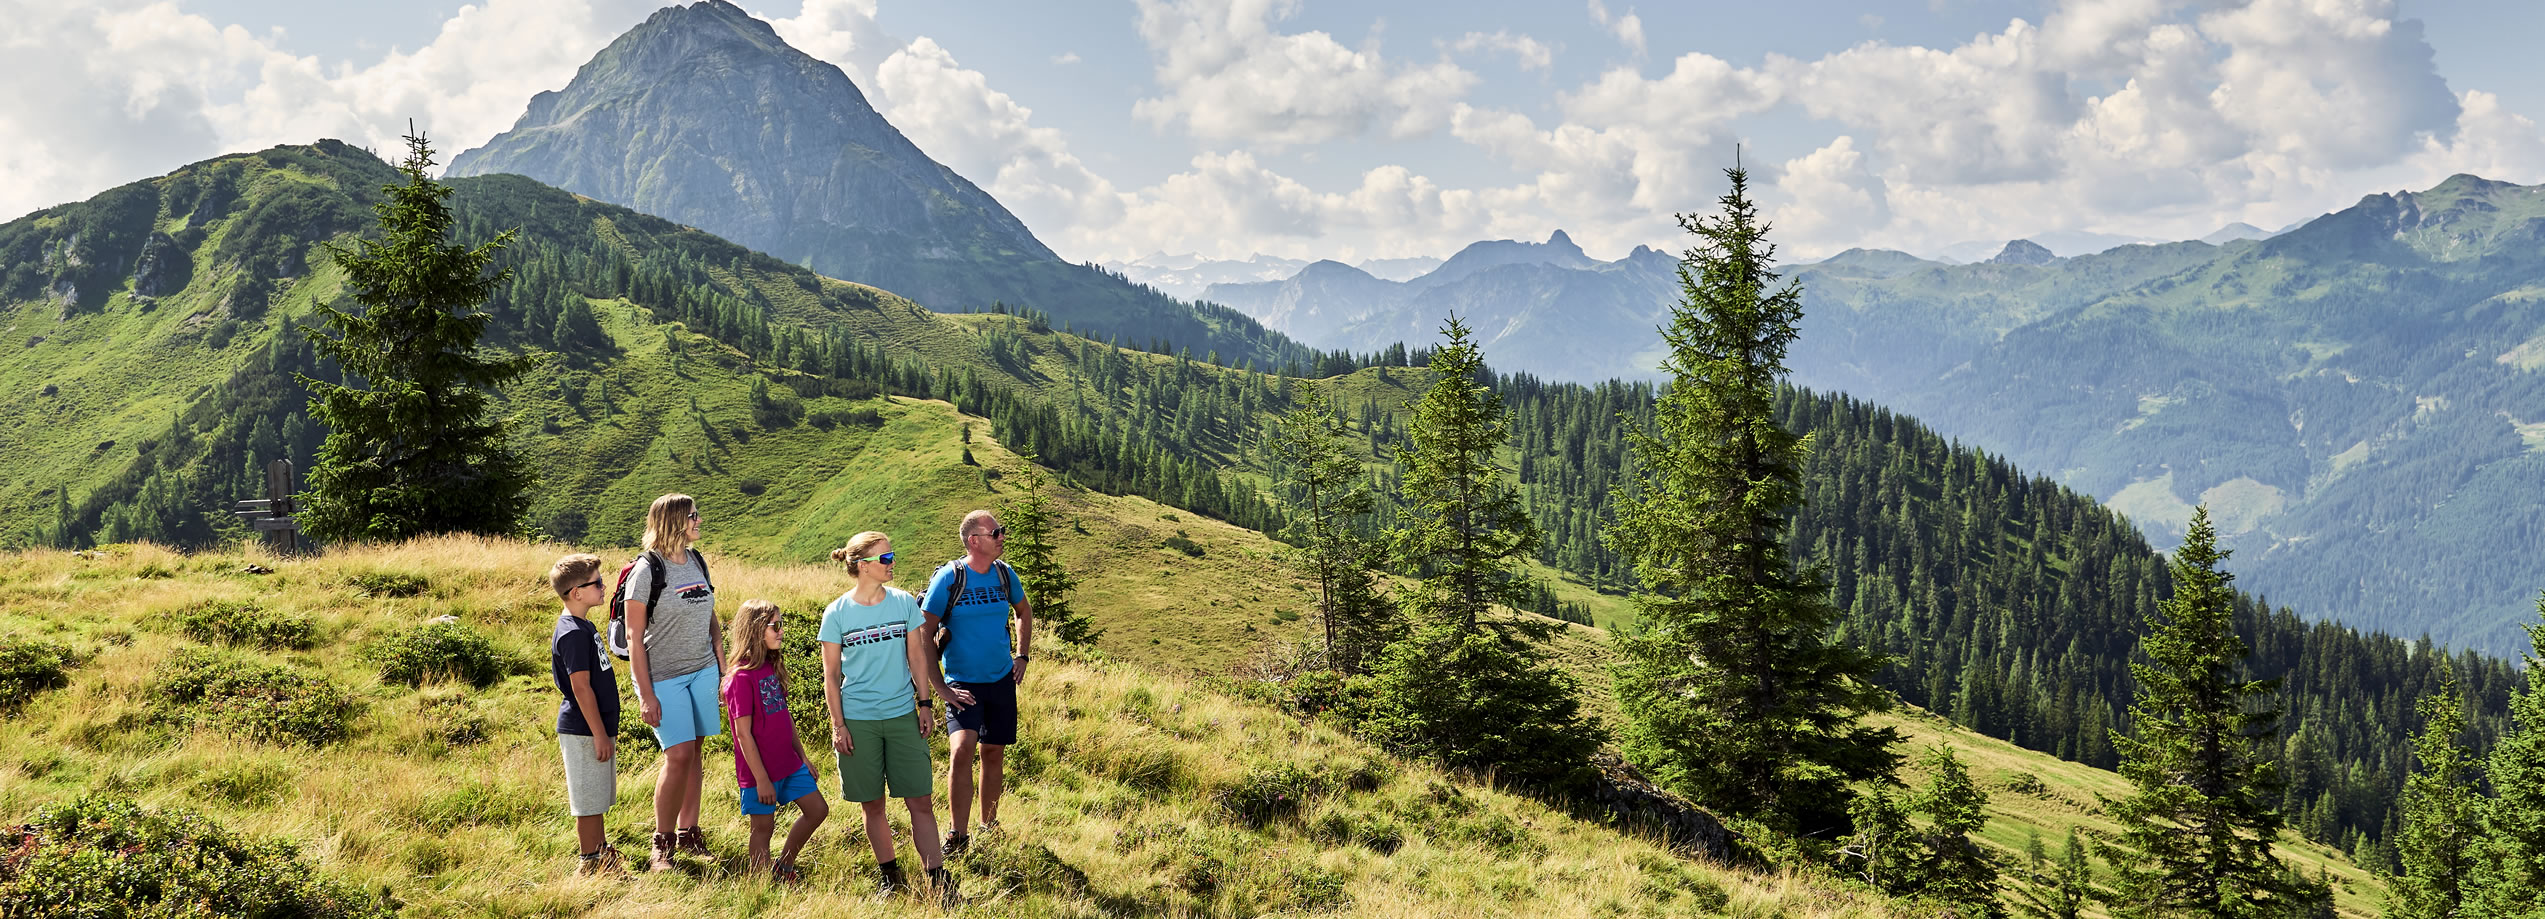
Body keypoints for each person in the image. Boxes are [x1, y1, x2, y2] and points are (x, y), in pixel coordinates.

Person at [821, 531, 973, 900]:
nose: (892, 564)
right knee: (872, 804)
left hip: (903, 714)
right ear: (862, 566)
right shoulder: (837, 613)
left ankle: (938, 879)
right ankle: (890, 877)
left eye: (892, 556)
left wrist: (924, 704)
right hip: (858, 720)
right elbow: (831, 676)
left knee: (919, 799)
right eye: (885, 558)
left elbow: (918, 657)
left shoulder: (904, 602)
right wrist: (838, 725)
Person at [920, 510, 1033, 856]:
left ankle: (989, 824)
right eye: (995, 532)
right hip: (961, 683)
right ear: (974, 541)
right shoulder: (950, 578)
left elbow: (1024, 612)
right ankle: (957, 834)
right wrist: (939, 687)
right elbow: (924, 630)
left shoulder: (1004, 574)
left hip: (1000, 680)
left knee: (993, 752)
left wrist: (1022, 656)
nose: (1002, 536)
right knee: (961, 750)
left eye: (1001, 531)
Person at [623, 493, 724, 872]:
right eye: (693, 515)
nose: (699, 521)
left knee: (695, 752)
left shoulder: (697, 560)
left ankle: (689, 833)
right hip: (663, 675)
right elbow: (634, 637)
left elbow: (710, 613)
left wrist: (721, 664)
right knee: (678, 754)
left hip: (702, 670)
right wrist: (646, 694)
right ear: (674, 520)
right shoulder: (647, 569)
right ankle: (662, 845)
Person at [722, 599, 829, 882]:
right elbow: (743, 734)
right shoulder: (739, 679)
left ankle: (783, 867)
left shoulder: (770, 667)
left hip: (788, 764)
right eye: (775, 626)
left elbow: (785, 717)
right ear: (756, 629)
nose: (781, 631)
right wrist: (761, 780)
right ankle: (762, 888)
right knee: (763, 830)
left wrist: (802, 757)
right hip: (759, 774)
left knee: (818, 810)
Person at [548, 553, 623, 875]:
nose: (604, 587)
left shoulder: (582, 625)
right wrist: (599, 734)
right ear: (576, 592)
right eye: (597, 583)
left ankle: (602, 855)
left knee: (595, 798)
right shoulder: (573, 633)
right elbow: (581, 688)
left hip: (593, 728)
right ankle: (590, 863)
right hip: (584, 730)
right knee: (588, 803)